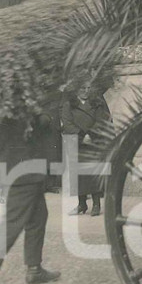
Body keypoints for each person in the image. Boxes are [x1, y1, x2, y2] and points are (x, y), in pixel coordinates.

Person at [0, 112, 61, 284]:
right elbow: (34, 122)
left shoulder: (14, 95)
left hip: (28, 163)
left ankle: (34, 269)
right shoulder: (11, 97)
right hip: (21, 165)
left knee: (38, 217)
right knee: (13, 222)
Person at [61, 76, 113, 217]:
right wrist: (82, 135)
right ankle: (81, 204)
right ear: (76, 89)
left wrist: (90, 134)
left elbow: (102, 120)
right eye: (82, 88)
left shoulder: (97, 102)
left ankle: (96, 204)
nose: (86, 91)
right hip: (77, 143)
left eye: (88, 88)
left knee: (93, 173)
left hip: (93, 142)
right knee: (78, 175)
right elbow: (67, 123)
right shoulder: (69, 105)